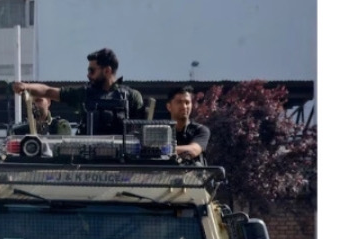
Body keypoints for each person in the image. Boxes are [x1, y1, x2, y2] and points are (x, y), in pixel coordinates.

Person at [12, 48, 145, 135]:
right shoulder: (83, 94)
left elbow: (141, 132)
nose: (88, 75)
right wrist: (26, 86)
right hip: (87, 160)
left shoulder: (132, 97)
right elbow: (48, 91)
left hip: (121, 162)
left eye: (92, 71)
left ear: (107, 71)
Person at [164, 85, 210, 165]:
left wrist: (164, 150)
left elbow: (193, 150)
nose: (184, 106)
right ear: (169, 107)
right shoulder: (161, 131)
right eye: (179, 102)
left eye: (187, 102)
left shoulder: (200, 130)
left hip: (192, 172)